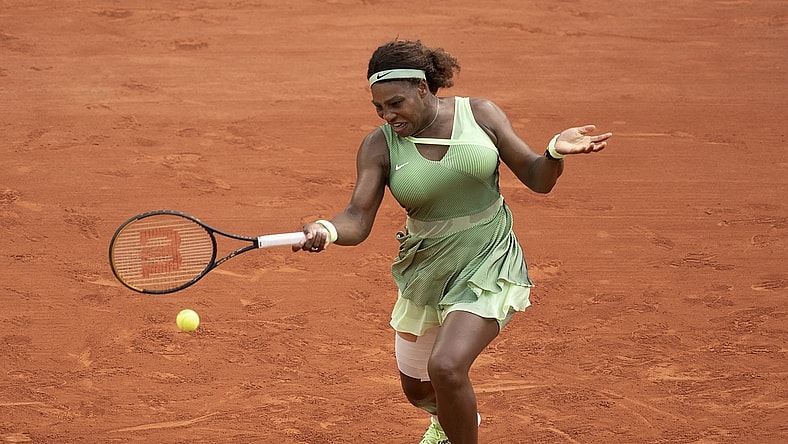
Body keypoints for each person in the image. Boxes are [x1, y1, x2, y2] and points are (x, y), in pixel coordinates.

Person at [294, 39, 611, 444]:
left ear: (422, 88)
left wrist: (553, 153)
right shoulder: (379, 146)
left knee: (445, 367)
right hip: (427, 268)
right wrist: (328, 229)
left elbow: (537, 178)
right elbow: (357, 217)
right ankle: (451, 423)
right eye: (379, 108)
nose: (388, 115)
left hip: (489, 260)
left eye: (395, 103)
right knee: (419, 388)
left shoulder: (479, 114)